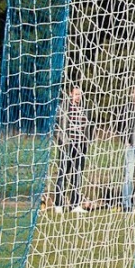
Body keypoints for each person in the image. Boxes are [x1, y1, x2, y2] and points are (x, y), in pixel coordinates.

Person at [54, 85, 90, 214]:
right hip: (67, 145)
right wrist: (62, 140)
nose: (78, 96)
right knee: (63, 173)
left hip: (80, 145)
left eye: (80, 94)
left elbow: (88, 126)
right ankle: (58, 204)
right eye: (76, 94)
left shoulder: (85, 108)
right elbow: (56, 125)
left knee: (77, 174)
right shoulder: (64, 107)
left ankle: (75, 205)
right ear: (71, 94)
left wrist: (86, 140)